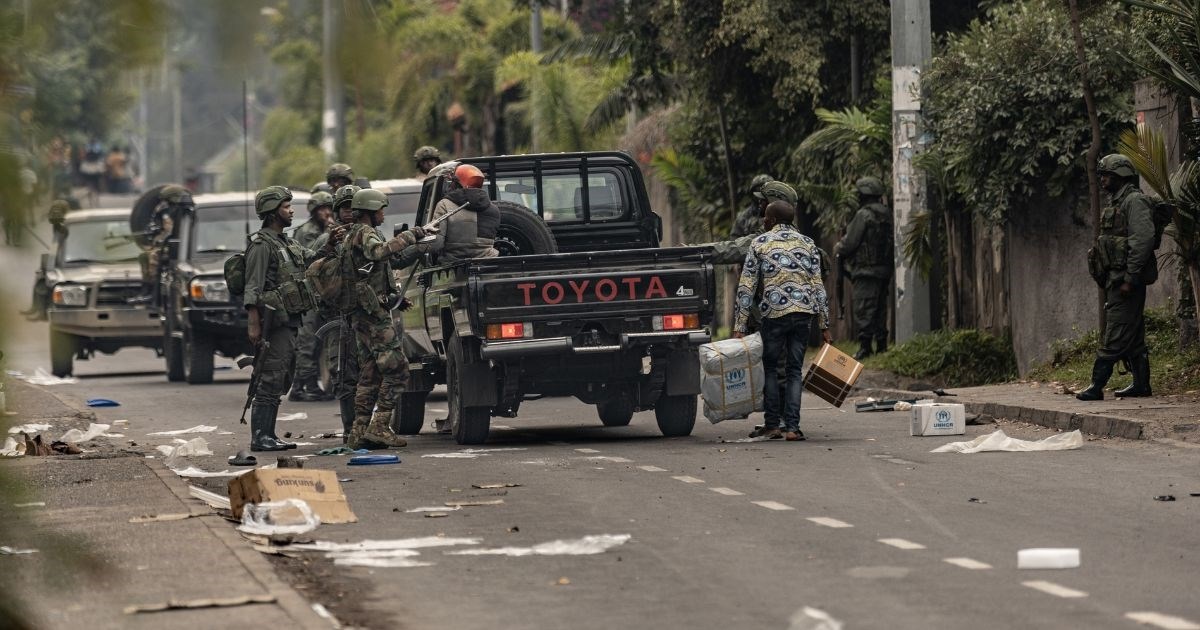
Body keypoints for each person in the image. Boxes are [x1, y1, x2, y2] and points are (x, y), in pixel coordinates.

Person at [242, 186, 337, 451]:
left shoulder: (287, 242)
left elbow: (311, 260)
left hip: (290, 320)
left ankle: (268, 435)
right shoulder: (262, 245)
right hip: (273, 322)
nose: (291, 211)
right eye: (286, 207)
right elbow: (253, 286)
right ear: (273, 212)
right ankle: (260, 436)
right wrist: (254, 322)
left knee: (282, 375)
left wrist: (329, 243)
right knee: (270, 377)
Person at [733, 200, 832, 442]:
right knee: (795, 370)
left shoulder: (759, 243)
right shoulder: (808, 243)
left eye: (766, 217)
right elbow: (818, 286)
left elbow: (747, 287)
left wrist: (739, 326)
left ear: (774, 220)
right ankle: (792, 428)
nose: (763, 221)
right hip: (803, 313)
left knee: (769, 366)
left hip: (774, 313)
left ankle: (772, 425)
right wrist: (824, 325)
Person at [342, 188, 431, 449]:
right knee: (398, 370)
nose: (383, 214)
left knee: (370, 374)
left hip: (364, 312)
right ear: (370, 211)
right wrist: (410, 235)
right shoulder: (365, 233)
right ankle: (380, 426)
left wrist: (395, 299)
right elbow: (379, 253)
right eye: (381, 209)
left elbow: (374, 273)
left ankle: (358, 432)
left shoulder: (353, 234)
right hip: (372, 316)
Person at [1077, 154, 1158, 401]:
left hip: (1126, 280)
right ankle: (1141, 385)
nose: (1102, 180)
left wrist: (1130, 277)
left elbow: (1143, 240)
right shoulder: (1118, 202)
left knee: (1115, 331)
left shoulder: (1134, 202)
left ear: (1120, 176)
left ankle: (1096, 386)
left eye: (1107, 176)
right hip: (1117, 278)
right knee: (1132, 336)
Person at [834, 176, 894, 360]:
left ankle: (865, 347)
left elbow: (850, 243)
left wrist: (838, 247)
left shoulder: (864, 215)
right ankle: (882, 345)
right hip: (884, 270)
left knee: (864, 308)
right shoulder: (887, 213)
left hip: (865, 271)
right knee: (880, 308)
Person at [288, 191, 336, 402]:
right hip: (307, 293)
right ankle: (302, 386)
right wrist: (328, 232)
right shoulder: (307, 232)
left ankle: (304, 385)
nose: (326, 212)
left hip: (320, 292)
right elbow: (312, 259)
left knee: (316, 341)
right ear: (314, 211)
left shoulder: (324, 228)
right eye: (322, 209)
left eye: (328, 208)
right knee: (307, 341)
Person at [130, 185, 194, 304]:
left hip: (181, 245)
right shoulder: (164, 211)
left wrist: (163, 235)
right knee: (145, 256)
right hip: (168, 243)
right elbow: (156, 225)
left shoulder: (183, 211)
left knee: (154, 257)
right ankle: (148, 289)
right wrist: (153, 230)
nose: (166, 202)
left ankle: (152, 290)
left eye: (168, 199)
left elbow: (172, 230)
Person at [426, 163, 499, 263]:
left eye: (453, 181)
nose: (451, 185)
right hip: (489, 268)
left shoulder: (445, 205)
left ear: (458, 183)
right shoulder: (494, 210)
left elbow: (436, 244)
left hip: (453, 271)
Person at [21, 200, 72, 321]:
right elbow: (56, 244)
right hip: (57, 255)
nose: (54, 215)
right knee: (40, 275)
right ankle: (36, 307)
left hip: (66, 260)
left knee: (47, 280)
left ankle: (43, 312)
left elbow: (65, 244)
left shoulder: (67, 226)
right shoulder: (58, 225)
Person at [731, 174, 774, 239]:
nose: (761, 196)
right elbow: (735, 240)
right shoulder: (743, 217)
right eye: (758, 191)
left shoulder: (782, 213)